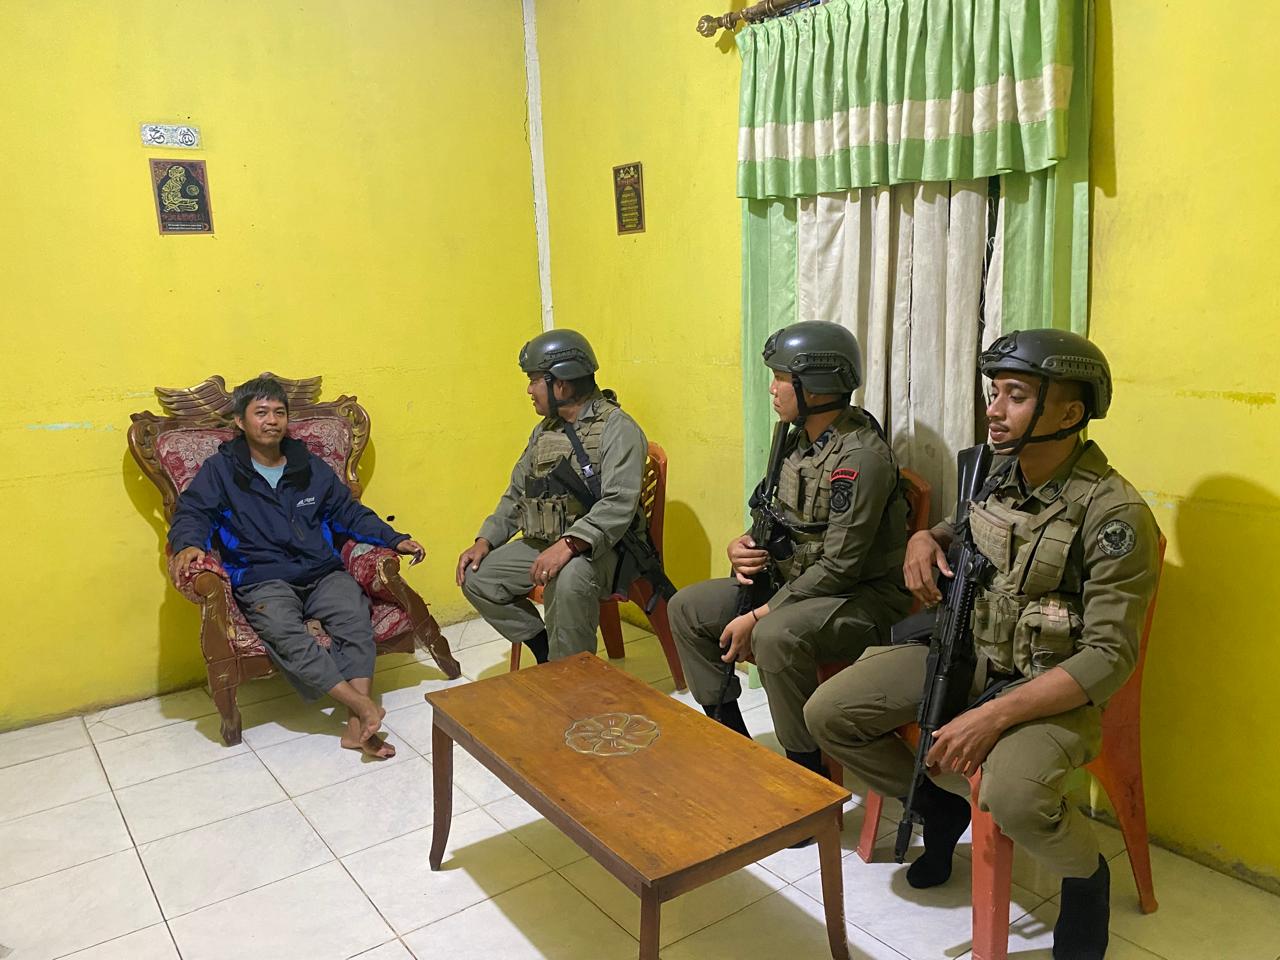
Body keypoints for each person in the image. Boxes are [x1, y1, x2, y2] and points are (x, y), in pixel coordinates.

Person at [804, 329, 1160, 960]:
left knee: (1014, 796)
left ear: (1069, 414)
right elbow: (957, 526)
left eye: (1015, 396)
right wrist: (924, 539)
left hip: (1047, 689)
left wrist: (991, 718)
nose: (993, 409)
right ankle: (939, 811)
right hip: (968, 655)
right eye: (994, 392)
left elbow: (1109, 657)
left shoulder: (1113, 513)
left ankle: (1086, 876)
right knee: (829, 712)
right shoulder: (997, 474)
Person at [669, 320, 911, 777]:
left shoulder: (859, 459)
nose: (773, 388)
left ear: (815, 386)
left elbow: (840, 567)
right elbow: (778, 512)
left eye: (782, 378)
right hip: (795, 586)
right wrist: (742, 544)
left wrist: (759, 615)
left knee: (774, 636)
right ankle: (730, 742)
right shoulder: (797, 442)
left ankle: (807, 771)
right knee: (687, 608)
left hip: (859, 600)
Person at [168, 376, 425, 759]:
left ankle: (356, 726)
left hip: (320, 570)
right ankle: (362, 707)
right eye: (261, 413)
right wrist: (189, 543)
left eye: (279, 412)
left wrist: (393, 538)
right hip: (261, 577)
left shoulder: (308, 465)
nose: (272, 420)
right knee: (283, 631)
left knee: (354, 615)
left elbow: (348, 511)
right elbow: (192, 512)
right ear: (240, 421)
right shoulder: (221, 470)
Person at [457, 329, 650, 663]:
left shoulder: (618, 429)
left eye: (534, 380)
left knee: (568, 577)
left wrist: (569, 545)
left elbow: (618, 504)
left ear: (561, 384)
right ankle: (548, 652)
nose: (529, 390)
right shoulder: (546, 430)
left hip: (607, 548)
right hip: (549, 539)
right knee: (477, 577)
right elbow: (518, 492)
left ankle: (573, 677)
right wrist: (485, 540)